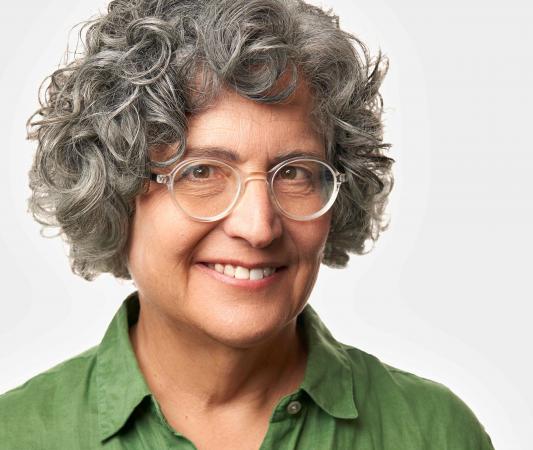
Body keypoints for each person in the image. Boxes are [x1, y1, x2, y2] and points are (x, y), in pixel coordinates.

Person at [0, 0, 494, 448]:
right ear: (114, 191)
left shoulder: (433, 433)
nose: (259, 227)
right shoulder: (19, 435)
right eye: (201, 172)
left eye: (295, 173)